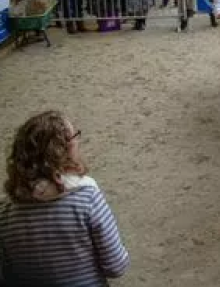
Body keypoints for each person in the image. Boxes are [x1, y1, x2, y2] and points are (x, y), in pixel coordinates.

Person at [0, 111, 130, 285]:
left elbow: (7, 276)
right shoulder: (87, 197)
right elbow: (116, 266)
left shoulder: (5, 210)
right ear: (65, 149)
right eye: (75, 136)